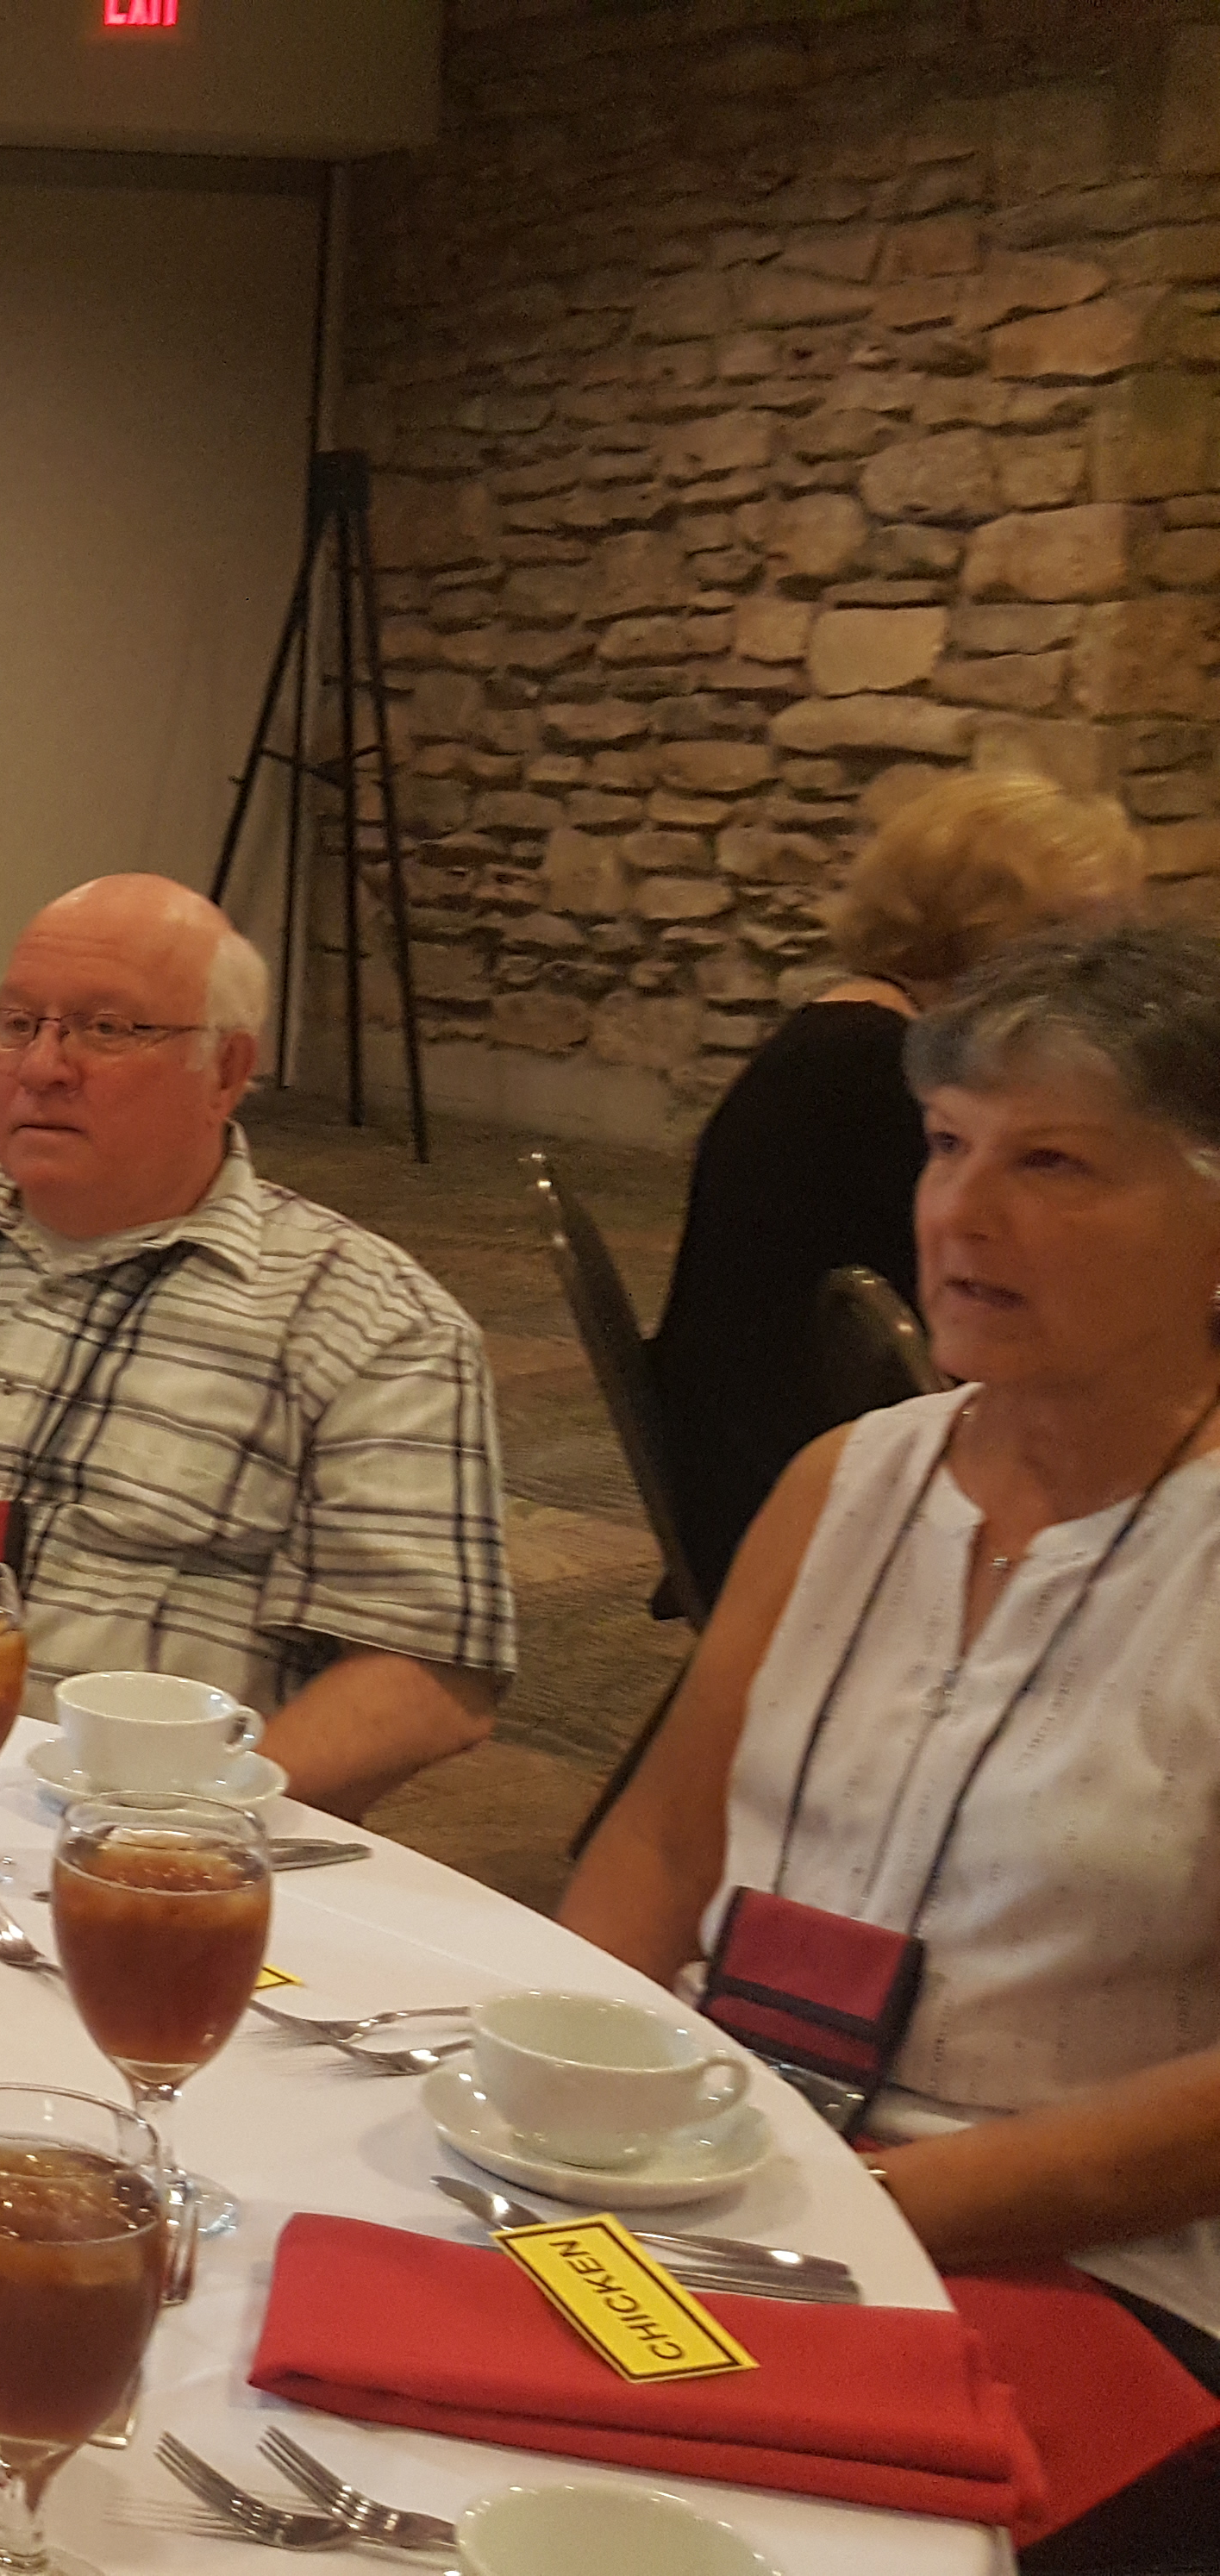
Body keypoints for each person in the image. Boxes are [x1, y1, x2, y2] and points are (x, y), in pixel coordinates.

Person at [562, 922, 1220, 2560]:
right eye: (944, 1145)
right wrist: (570, 2098)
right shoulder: (844, 1480)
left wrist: (841, 2202)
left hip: (1082, 2269)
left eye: (1052, 1163)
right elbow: (662, 1844)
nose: (961, 1213)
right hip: (723, 2169)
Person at [0, 872, 515, 1819]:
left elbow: (427, 1677)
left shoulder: (372, 1327)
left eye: (105, 1030)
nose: (42, 1066)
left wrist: (166, 1831)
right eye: (17, 1024)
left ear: (226, 1072)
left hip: (122, 1840)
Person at [644, 770, 1140, 1599]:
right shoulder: (877, 1071)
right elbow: (1005, 1307)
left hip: (770, 1456)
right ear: (990, 930)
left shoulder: (863, 1035)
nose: (1105, 975)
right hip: (797, 1498)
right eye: (1080, 936)